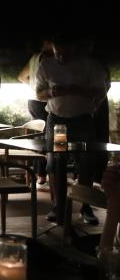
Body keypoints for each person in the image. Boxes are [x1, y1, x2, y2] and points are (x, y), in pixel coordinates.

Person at [35, 33, 108, 225]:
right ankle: (58, 206)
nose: (61, 58)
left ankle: (85, 205)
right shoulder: (46, 65)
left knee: (86, 163)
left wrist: (77, 90)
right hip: (58, 122)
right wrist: (51, 92)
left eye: (65, 54)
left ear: (75, 49)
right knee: (56, 160)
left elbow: (101, 92)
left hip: (82, 121)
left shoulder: (89, 65)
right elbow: (39, 94)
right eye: (57, 53)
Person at [18, 39, 53, 185]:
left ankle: (40, 174)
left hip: (32, 101)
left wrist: (33, 87)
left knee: (40, 138)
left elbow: (21, 77)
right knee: (46, 139)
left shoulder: (34, 58)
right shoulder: (48, 58)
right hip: (43, 102)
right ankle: (42, 174)